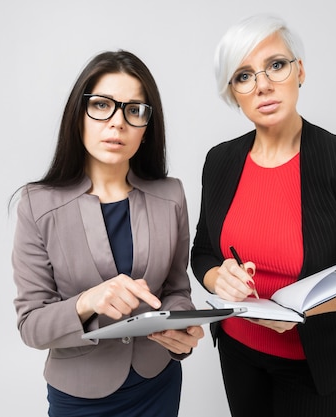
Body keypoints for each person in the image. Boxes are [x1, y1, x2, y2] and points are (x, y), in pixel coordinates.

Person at [190, 14, 336, 417]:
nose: (263, 84)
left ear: (299, 70)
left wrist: (302, 310)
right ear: (233, 92)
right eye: (244, 76)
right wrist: (219, 278)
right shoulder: (219, 160)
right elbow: (202, 251)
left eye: (276, 65)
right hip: (236, 349)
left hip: (310, 362)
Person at [11, 50, 204, 417]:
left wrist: (183, 332)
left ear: (147, 126)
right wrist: (88, 302)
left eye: (134, 110)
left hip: (157, 383)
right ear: (78, 115)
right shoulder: (37, 204)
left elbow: (177, 292)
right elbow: (31, 325)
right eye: (101, 105)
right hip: (80, 394)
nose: (117, 123)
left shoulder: (171, 195)